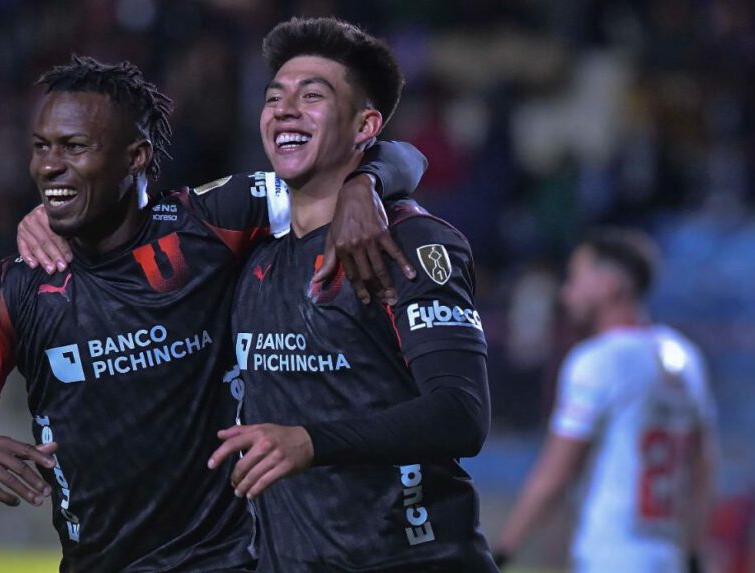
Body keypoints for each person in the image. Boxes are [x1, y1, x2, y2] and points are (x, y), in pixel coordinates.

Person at [0, 55, 426, 572]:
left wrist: (367, 184)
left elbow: (405, 158)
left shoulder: (209, 225)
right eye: (42, 147)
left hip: (226, 560)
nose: (48, 166)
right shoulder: (16, 285)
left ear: (136, 156)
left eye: (74, 147)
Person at [205, 18, 497, 571]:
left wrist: (311, 441)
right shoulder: (252, 253)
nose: (285, 109)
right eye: (275, 97)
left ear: (366, 125)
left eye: (312, 96)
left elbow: (461, 414)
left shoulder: (409, 241)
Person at [492, 228, 718, 573]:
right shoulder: (685, 357)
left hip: (613, 555)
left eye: (577, 277)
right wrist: (693, 551)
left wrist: (504, 549)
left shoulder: (599, 359)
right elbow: (703, 464)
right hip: (668, 556)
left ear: (610, 285)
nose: (567, 292)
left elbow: (556, 473)